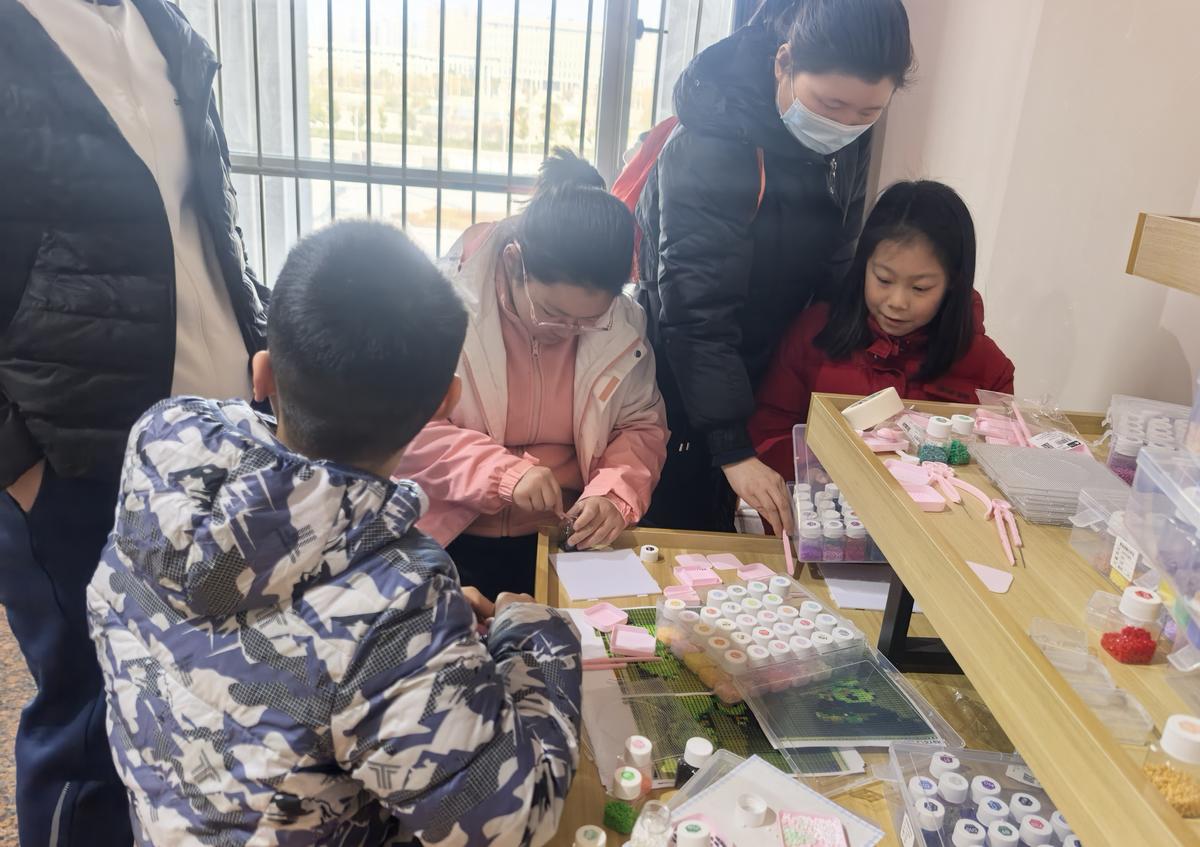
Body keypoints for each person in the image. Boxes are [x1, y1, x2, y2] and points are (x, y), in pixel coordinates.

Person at [86, 221, 584, 846]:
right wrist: (534, 635)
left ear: (262, 374)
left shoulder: (163, 444)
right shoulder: (399, 601)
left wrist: (423, 644)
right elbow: (512, 823)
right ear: (444, 403)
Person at [0, 1, 268, 842]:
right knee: (95, 716)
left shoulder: (164, 25)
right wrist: (20, 464)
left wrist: (261, 350)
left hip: (222, 431)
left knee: (204, 686)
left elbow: (208, 228)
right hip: (78, 457)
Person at [633, 0, 913, 535]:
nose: (845, 125)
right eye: (830, 104)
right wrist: (731, 445)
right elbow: (696, 308)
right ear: (783, 63)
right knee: (679, 528)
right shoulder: (712, 143)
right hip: (684, 368)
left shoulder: (847, 138)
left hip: (765, 355)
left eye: (867, 113)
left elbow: (838, 260)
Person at [397, 149, 668, 600]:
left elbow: (640, 425)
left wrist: (613, 493)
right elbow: (403, 427)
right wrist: (501, 472)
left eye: (590, 320)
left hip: (563, 538)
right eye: (552, 313)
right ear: (512, 262)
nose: (569, 331)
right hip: (446, 535)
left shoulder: (622, 325)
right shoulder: (437, 312)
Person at [749, 180, 1016, 478]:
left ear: (952, 283)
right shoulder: (814, 335)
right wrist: (812, 470)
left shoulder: (988, 369)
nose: (897, 302)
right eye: (884, 280)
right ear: (864, 265)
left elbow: (998, 468)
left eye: (920, 288)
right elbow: (769, 432)